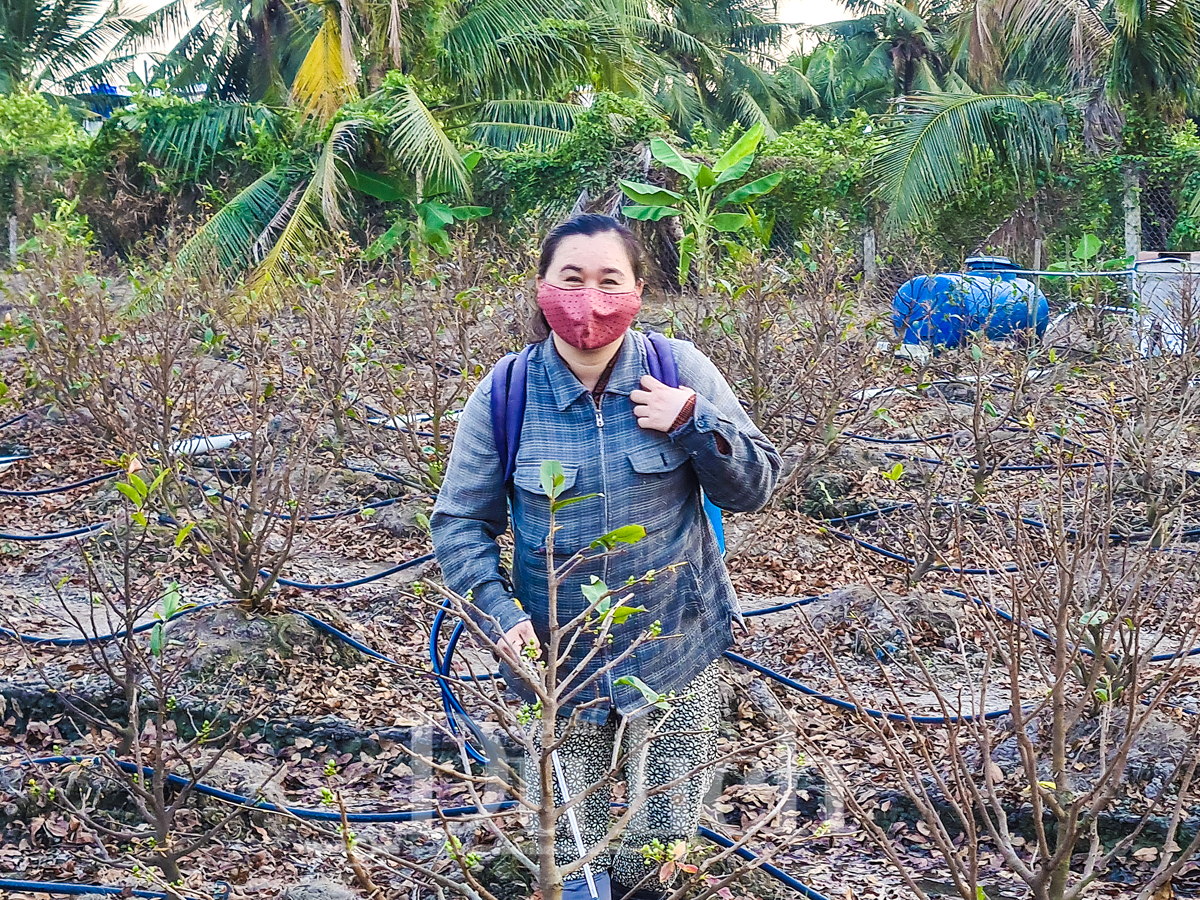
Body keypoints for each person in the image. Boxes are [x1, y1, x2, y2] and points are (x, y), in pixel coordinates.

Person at [430, 214, 781, 900]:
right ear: (541, 289)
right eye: (571, 279)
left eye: (608, 281)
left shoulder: (679, 371)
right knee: (567, 848)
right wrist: (500, 615)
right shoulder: (506, 395)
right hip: (561, 668)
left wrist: (692, 423)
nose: (589, 301)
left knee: (664, 843)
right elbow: (460, 523)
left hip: (676, 650)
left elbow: (757, 486)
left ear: (638, 291)